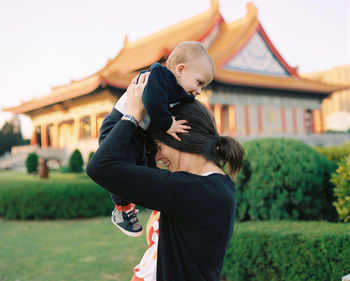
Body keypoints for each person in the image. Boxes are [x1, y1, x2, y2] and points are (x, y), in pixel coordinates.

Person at [86, 72, 245, 281]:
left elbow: (101, 167)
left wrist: (131, 115)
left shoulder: (194, 191)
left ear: (182, 136)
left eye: (159, 147)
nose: (158, 157)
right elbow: (128, 165)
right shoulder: (210, 186)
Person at [98, 41, 215, 237]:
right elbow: (152, 101)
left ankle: (155, 197)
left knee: (145, 166)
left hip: (138, 131)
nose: (199, 91)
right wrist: (168, 124)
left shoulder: (176, 90)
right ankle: (122, 209)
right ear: (180, 70)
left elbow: (184, 101)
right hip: (118, 126)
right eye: (199, 82)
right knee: (123, 168)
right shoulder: (159, 76)